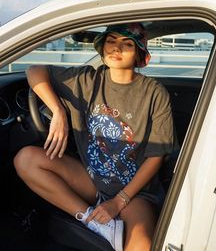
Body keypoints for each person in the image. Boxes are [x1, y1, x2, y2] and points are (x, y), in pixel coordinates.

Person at [14, 23, 174, 251]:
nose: (116, 48)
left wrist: (119, 201)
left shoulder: (154, 93)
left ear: (139, 52)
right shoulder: (87, 79)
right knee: (26, 159)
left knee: (141, 246)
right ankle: (93, 221)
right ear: (102, 46)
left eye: (127, 44)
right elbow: (35, 71)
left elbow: (156, 156)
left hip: (136, 192)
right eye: (111, 41)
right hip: (93, 182)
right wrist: (58, 111)